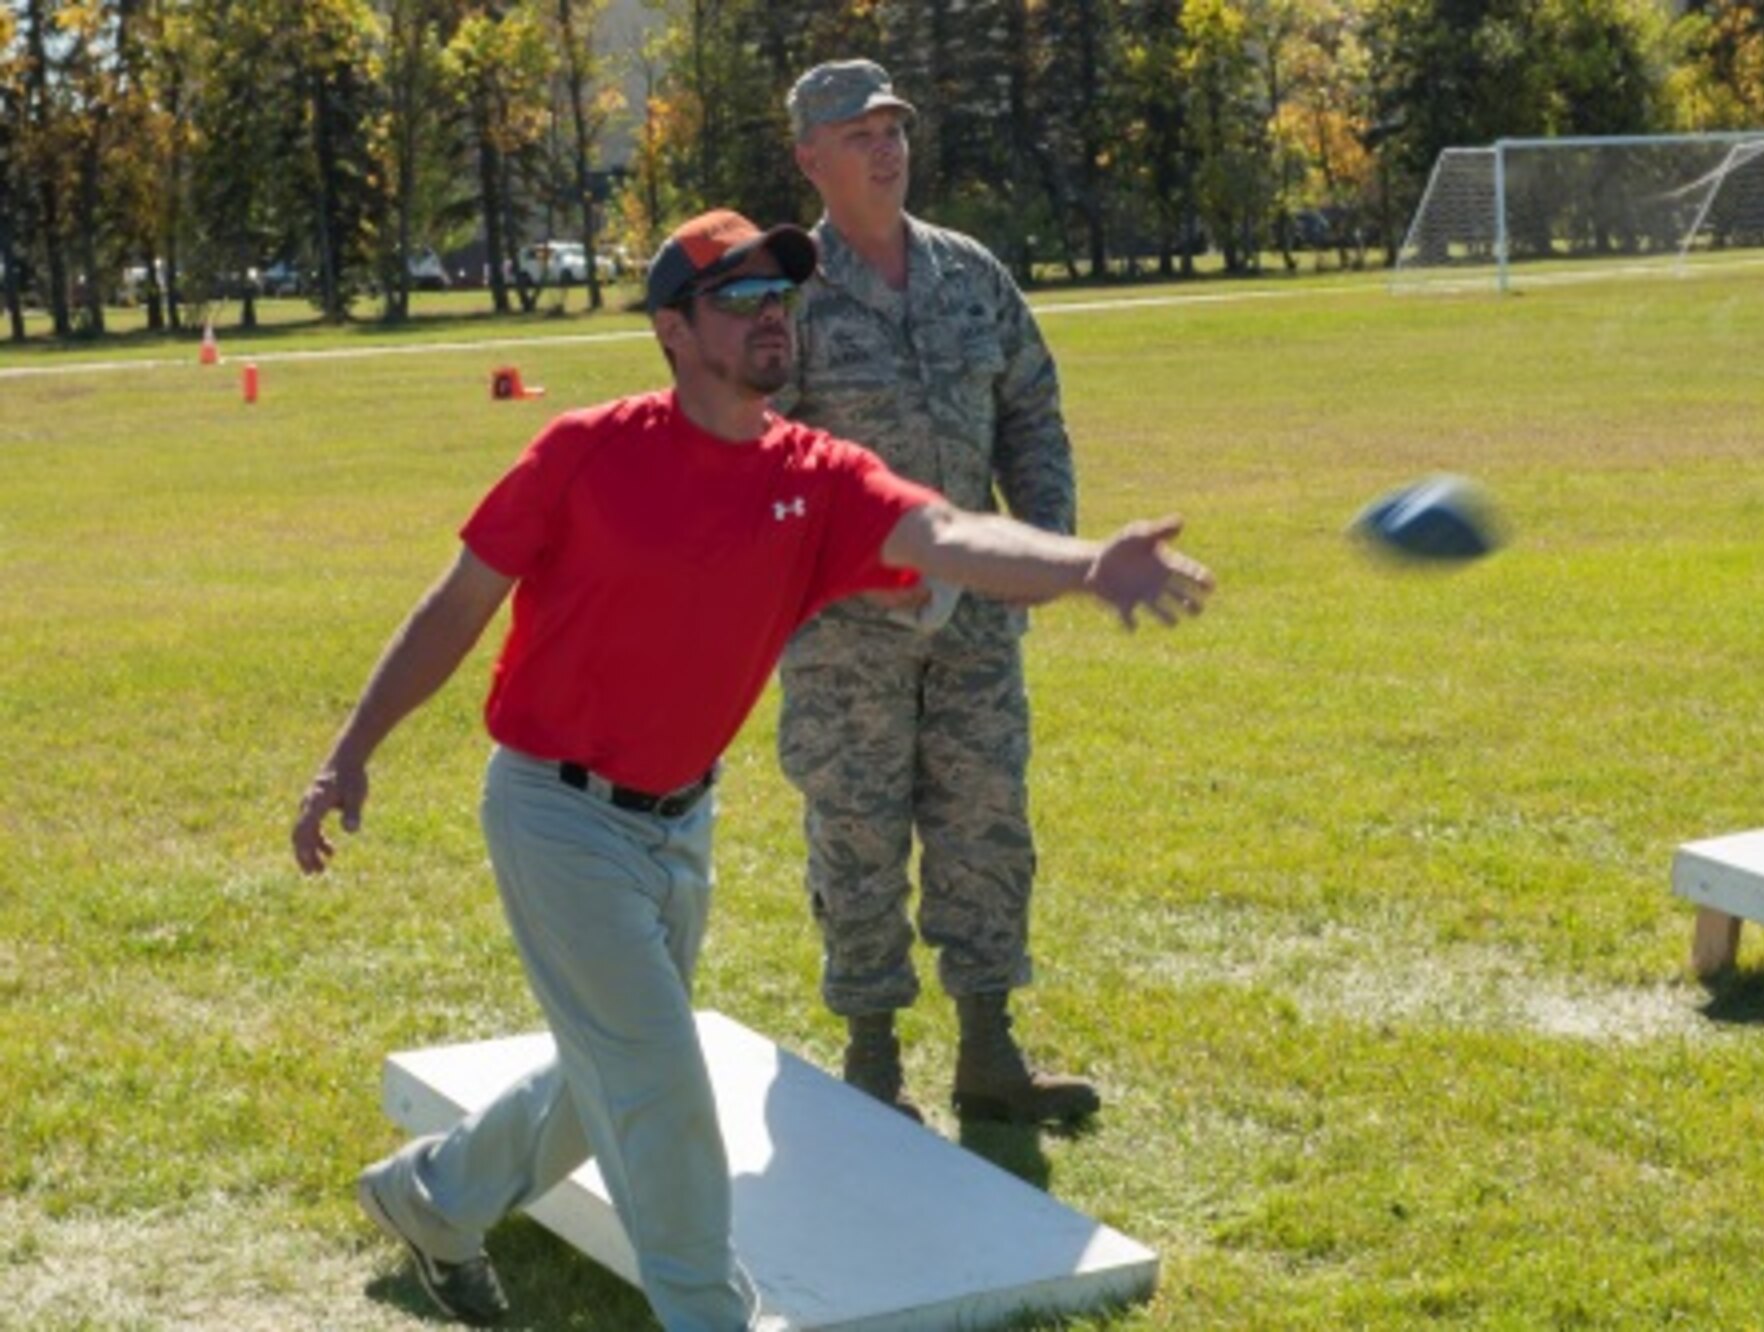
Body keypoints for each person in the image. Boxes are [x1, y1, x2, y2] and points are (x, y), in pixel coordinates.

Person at [289, 207, 1212, 1332]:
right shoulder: (586, 449)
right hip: (555, 811)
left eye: (780, 297)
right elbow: (457, 606)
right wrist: (350, 752)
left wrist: (1082, 565)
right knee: (663, 1091)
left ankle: (434, 1197)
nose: (772, 317)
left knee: (609, 1071)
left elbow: (949, 538)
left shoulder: (816, 476)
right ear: (674, 329)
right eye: (739, 299)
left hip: (679, 824)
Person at [776, 59, 1092, 1127]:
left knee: (984, 822)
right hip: (844, 634)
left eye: (895, 127)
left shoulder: (970, 275)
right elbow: (763, 467)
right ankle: (872, 1067)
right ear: (808, 157)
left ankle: (989, 1055)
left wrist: (1032, 554)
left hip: (974, 623)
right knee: (856, 833)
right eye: (858, 132)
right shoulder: (785, 298)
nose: (886, 146)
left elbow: (1032, 418)